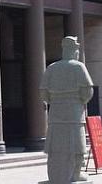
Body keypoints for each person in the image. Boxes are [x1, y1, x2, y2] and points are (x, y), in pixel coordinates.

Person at [40, 36, 94, 184]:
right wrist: (80, 101)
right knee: (77, 145)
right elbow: (88, 91)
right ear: (74, 50)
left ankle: (55, 175)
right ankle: (75, 174)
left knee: (55, 146)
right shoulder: (78, 67)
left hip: (56, 112)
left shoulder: (52, 67)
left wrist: (55, 101)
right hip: (74, 111)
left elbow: (43, 92)